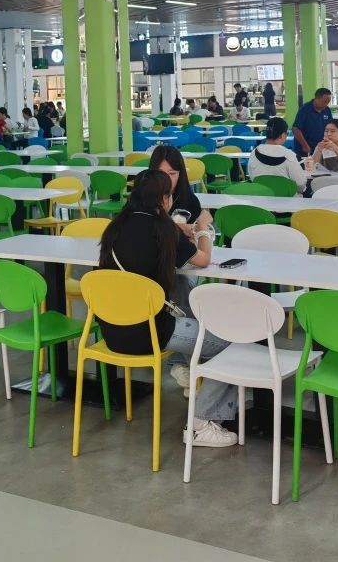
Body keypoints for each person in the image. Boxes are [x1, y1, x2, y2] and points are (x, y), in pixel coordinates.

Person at [99, 169, 238, 447]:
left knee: (190, 310)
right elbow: (203, 259)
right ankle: (200, 423)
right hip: (149, 332)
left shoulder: (115, 226)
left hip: (112, 331)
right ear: (164, 199)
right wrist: (203, 228)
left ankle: (206, 389)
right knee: (232, 344)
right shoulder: (162, 229)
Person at [248, 117, 308, 187]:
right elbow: (300, 183)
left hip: (261, 192)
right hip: (285, 193)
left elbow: (252, 177)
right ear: (282, 135)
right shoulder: (289, 155)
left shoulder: (254, 152)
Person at [292, 88, 334, 159]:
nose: (326, 105)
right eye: (324, 102)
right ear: (316, 99)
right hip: (304, 148)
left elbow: (330, 126)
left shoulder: (327, 110)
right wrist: (305, 146)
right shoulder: (305, 110)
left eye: (328, 102)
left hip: (320, 147)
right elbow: (296, 129)